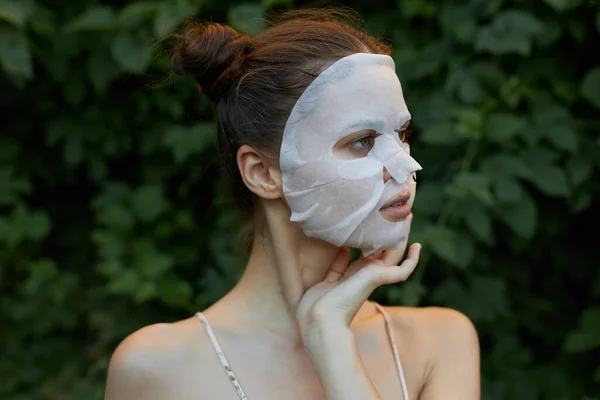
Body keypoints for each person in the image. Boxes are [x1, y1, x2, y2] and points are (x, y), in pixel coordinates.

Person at [104, 8, 480, 400]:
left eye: (402, 133)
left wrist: (331, 342)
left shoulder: (438, 344)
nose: (405, 165)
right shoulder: (158, 369)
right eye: (362, 141)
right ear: (263, 173)